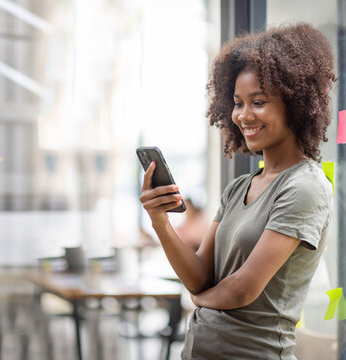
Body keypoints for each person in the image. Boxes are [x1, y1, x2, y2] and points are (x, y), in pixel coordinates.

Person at [139, 23, 335, 359]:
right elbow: (200, 276)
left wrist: (200, 301)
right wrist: (160, 222)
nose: (244, 115)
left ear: (295, 103)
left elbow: (243, 289)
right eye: (237, 103)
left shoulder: (306, 186)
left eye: (258, 102)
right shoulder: (239, 188)